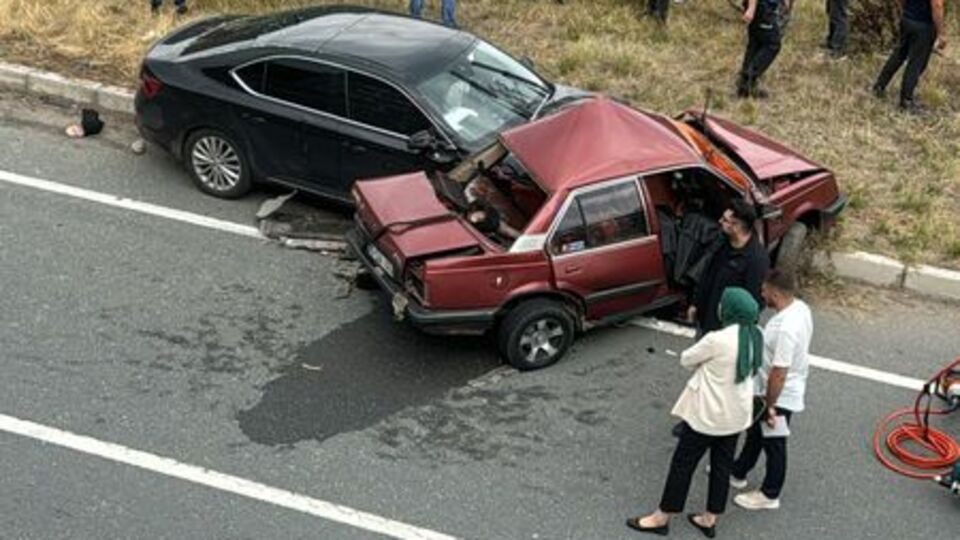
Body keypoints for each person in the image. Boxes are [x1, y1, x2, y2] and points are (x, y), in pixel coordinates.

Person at [627, 287, 762, 537]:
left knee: (683, 464)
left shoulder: (717, 339)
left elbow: (686, 359)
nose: (720, 306)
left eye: (723, 303)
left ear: (730, 310)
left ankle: (662, 517)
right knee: (722, 466)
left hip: (707, 416)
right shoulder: (756, 335)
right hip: (735, 417)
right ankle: (709, 518)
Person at [730, 269, 812, 510]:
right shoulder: (801, 309)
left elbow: (780, 371)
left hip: (779, 394)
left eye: (764, 290)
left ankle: (770, 493)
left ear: (775, 293)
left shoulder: (785, 328)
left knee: (774, 443)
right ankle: (739, 471)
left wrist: (770, 405)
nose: (761, 293)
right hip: (778, 389)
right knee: (756, 432)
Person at [687, 199, 769, 337]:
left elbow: (753, 302)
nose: (720, 221)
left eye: (725, 220)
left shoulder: (756, 260)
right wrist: (696, 303)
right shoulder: (721, 242)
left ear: (736, 226)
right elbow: (707, 275)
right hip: (706, 320)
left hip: (728, 331)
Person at [872, 0, 948, 112]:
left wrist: (907, 11)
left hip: (908, 20)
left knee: (899, 55)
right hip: (923, 25)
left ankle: (879, 86)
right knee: (916, 63)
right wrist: (941, 33)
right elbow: (937, 5)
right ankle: (906, 101)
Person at [737, 0, 785, 98]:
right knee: (772, 44)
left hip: (763, 7)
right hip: (762, 7)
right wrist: (751, 8)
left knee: (756, 43)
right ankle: (749, 77)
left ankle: (744, 85)